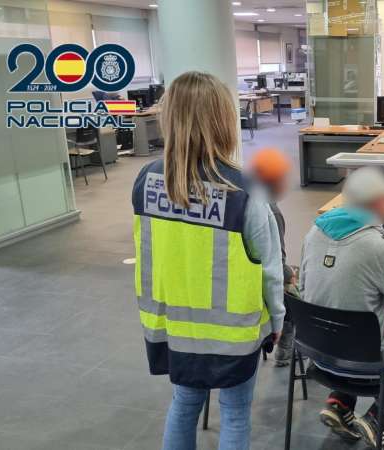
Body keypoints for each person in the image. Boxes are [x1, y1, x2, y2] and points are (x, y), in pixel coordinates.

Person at [131, 72, 285, 450]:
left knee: (184, 403)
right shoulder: (244, 192)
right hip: (233, 334)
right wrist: (278, 319)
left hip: (174, 326)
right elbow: (269, 269)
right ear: (221, 120)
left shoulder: (146, 182)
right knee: (234, 414)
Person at [300, 167, 384, 450]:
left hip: (318, 355)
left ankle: (338, 402)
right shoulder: (383, 249)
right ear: (380, 202)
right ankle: (378, 419)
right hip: (366, 367)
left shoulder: (313, 232)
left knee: (349, 311)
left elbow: (304, 288)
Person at [248, 148, 299, 367]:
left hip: (247, 274)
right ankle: (287, 349)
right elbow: (276, 262)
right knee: (301, 287)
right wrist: (291, 275)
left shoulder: (245, 196)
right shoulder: (271, 211)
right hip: (261, 285)